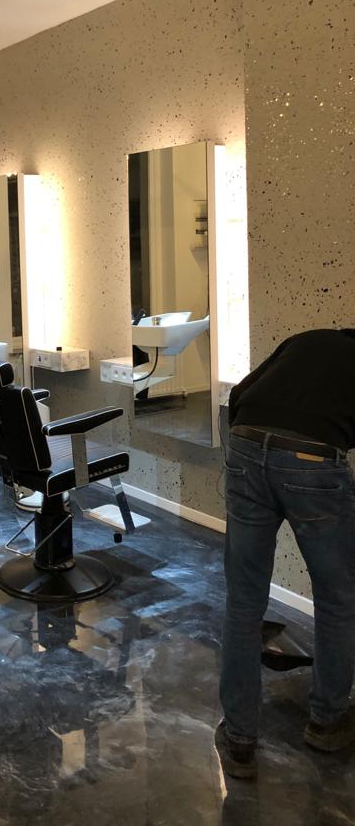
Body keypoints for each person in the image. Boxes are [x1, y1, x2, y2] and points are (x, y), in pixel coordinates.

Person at [216, 328, 355, 779]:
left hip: (245, 444)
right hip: (313, 461)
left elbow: (239, 392)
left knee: (244, 601)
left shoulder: (307, 340)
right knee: (337, 599)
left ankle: (239, 740)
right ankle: (327, 721)